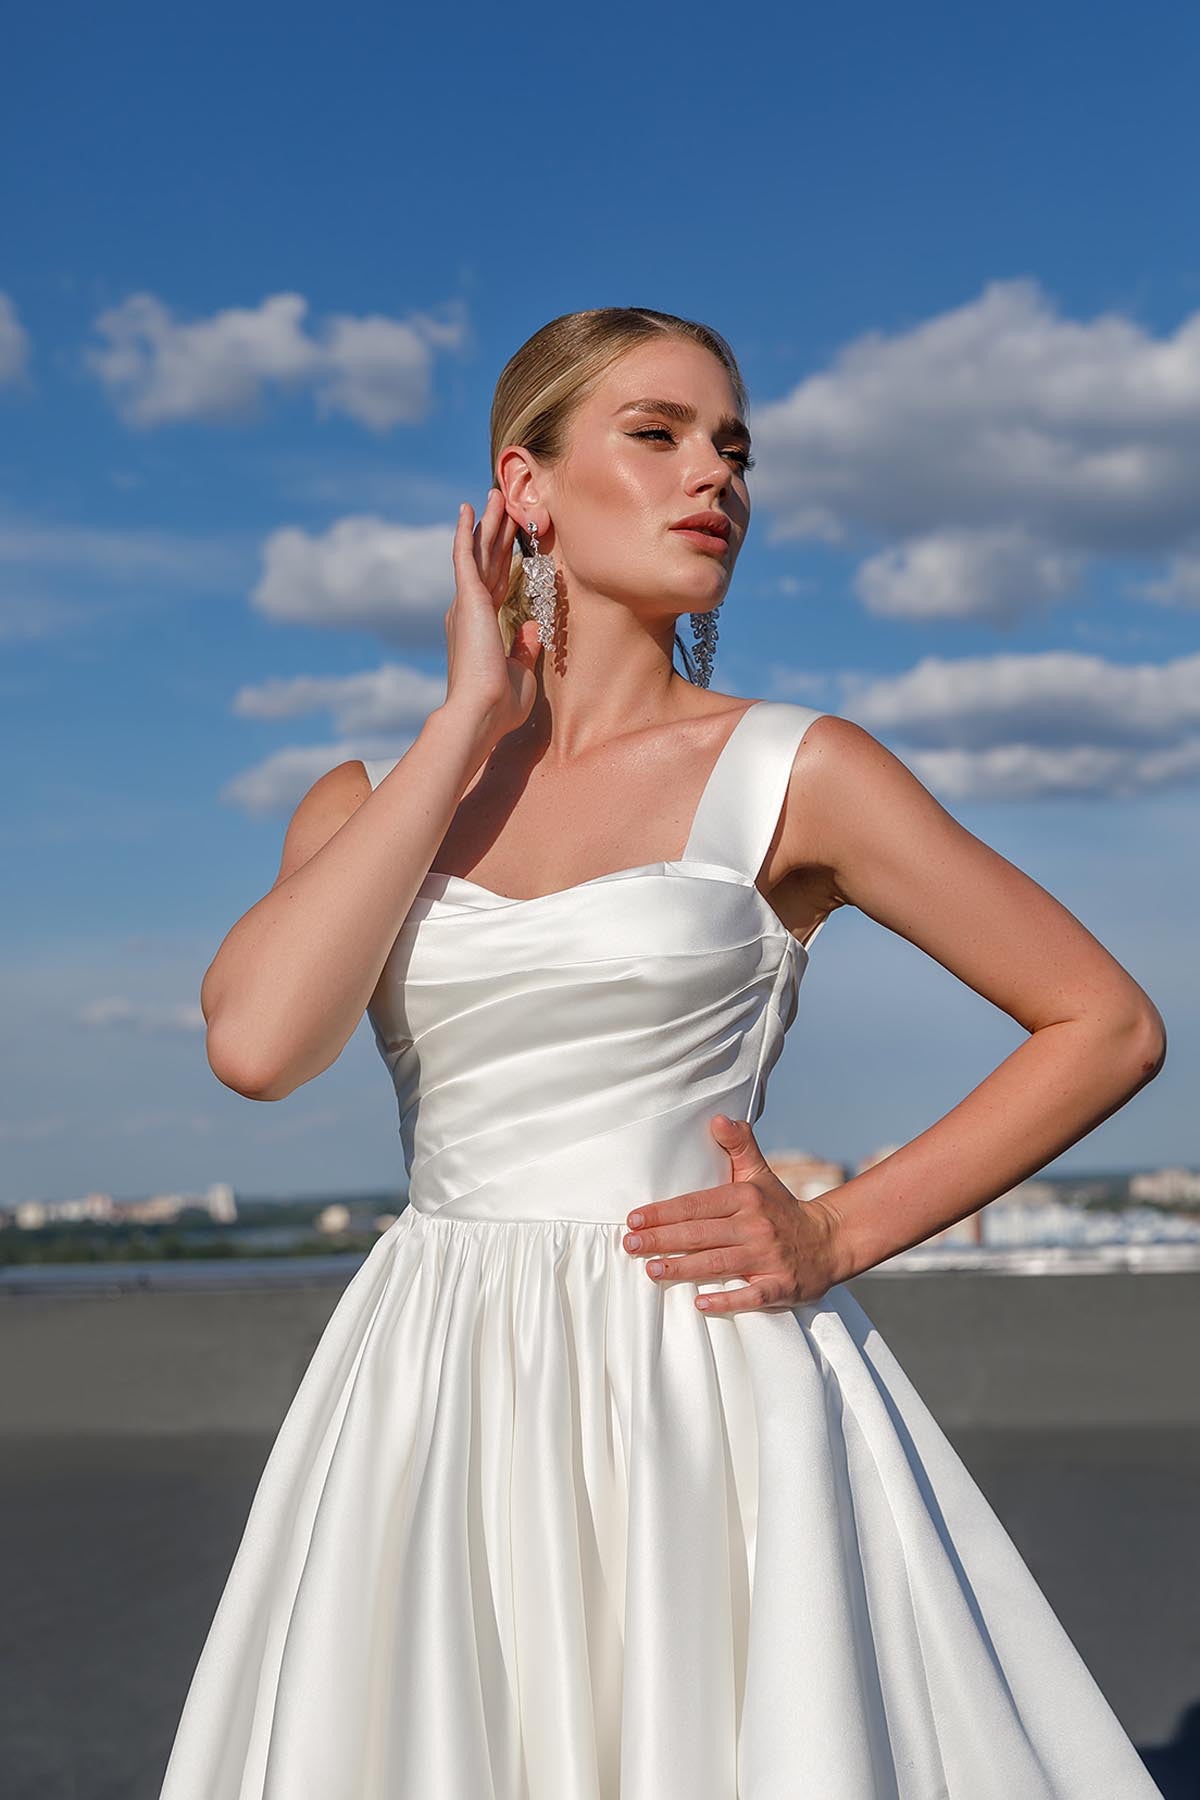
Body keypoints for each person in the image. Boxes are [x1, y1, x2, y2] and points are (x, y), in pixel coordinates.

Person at [160, 307, 1166, 1798]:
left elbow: (1107, 1022)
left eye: (736, 447)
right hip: (431, 1384)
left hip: (697, 1377)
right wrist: (461, 722)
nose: (719, 478)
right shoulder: (372, 796)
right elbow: (254, 1045)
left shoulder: (798, 768)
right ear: (527, 489)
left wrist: (834, 1229)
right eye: (660, 434)